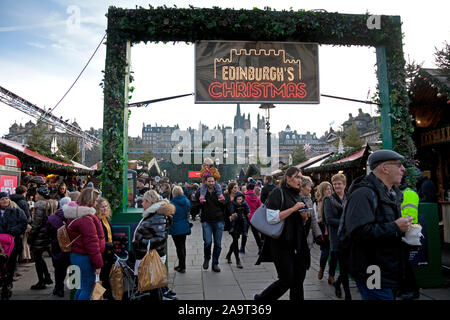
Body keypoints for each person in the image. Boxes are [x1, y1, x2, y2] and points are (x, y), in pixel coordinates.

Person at [343, 149, 411, 300]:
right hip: (372, 270)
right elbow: (358, 232)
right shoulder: (363, 194)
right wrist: (395, 226)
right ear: (384, 168)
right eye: (399, 165)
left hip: (389, 270)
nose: (403, 169)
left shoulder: (393, 192)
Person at [254, 167, 310, 301]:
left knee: (298, 280)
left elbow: (295, 221)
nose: (300, 180)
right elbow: (272, 218)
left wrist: (304, 217)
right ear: (288, 178)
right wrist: (294, 208)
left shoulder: (297, 194)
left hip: (297, 243)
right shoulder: (277, 192)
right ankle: (261, 299)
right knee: (286, 279)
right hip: (281, 244)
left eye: (301, 178)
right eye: (297, 177)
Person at [132, 190, 175, 300]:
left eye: (143, 201)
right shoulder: (154, 214)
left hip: (151, 255)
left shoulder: (156, 215)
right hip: (150, 254)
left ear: (149, 202)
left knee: (153, 285)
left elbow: (160, 238)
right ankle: (163, 293)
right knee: (154, 284)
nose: (142, 204)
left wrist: (142, 242)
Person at [63, 187, 105, 300]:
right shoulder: (86, 219)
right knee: (88, 288)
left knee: (81, 287)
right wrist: (98, 264)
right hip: (86, 257)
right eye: (96, 200)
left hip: (76, 255)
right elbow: (92, 243)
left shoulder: (75, 214)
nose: (97, 203)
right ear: (90, 200)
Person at [323, 173, 351, 300]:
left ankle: (338, 283)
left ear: (345, 185)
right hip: (337, 238)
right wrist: (346, 222)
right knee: (344, 267)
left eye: (339, 183)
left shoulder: (349, 198)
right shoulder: (328, 200)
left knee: (349, 266)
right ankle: (347, 294)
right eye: (334, 184)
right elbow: (329, 219)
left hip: (350, 237)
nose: (336, 186)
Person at [28, 186, 58, 290]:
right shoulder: (52, 204)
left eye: (36, 194)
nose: (35, 196)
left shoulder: (40, 205)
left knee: (38, 259)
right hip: (48, 235)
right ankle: (47, 278)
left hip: (40, 236)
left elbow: (36, 224)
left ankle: (41, 281)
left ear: (40, 196)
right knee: (40, 258)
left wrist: (30, 237)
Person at [0, 192, 28, 292]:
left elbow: (24, 223)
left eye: (6, 198)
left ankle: (8, 282)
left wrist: (13, 231)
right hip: (0, 244)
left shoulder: (17, 211)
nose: (4, 201)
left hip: (13, 242)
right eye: (2, 199)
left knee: (11, 263)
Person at [398, 179, 420, 300]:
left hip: (407, 231)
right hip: (402, 230)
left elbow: (411, 215)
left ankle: (412, 290)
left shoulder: (408, 193)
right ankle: (404, 289)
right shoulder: (401, 192)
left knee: (404, 262)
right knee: (401, 262)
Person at [45, 196, 72, 297]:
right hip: (72, 246)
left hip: (57, 246)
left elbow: (47, 231)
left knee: (58, 268)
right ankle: (74, 289)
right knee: (73, 267)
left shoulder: (52, 218)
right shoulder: (74, 217)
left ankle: (59, 288)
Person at [198, 175, 226, 272]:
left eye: (212, 181)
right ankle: (207, 257)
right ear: (205, 182)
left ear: (215, 182)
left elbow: (224, 206)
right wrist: (199, 203)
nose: (211, 183)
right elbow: (195, 205)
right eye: (209, 181)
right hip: (206, 220)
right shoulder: (201, 192)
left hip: (218, 220)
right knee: (208, 242)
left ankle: (215, 263)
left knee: (218, 244)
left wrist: (223, 202)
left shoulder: (219, 192)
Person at [95, 197, 115, 300]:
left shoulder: (106, 218)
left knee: (107, 277)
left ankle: (107, 296)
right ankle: (104, 297)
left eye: (106, 206)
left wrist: (118, 239)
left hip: (109, 253)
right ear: (97, 208)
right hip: (102, 253)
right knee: (103, 278)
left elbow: (109, 234)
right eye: (102, 207)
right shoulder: (97, 220)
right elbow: (97, 239)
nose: (105, 208)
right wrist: (108, 244)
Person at [169, 186, 191, 274]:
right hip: (184, 226)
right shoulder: (186, 201)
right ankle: (181, 265)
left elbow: (170, 215)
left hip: (175, 227)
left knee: (179, 248)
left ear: (173, 193)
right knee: (183, 246)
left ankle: (182, 266)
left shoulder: (171, 203)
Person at [299, 176, 323, 256]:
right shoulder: (296, 199)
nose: (310, 189)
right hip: (299, 234)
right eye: (309, 186)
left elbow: (313, 218)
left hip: (308, 233)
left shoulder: (309, 199)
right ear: (302, 187)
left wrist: (318, 234)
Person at [225, 191, 249, 268]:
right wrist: (232, 214)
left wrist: (247, 213)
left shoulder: (243, 202)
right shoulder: (227, 198)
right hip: (232, 223)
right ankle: (237, 260)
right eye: (234, 187)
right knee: (235, 240)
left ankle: (229, 254)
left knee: (236, 239)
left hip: (240, 223)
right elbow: (227, 211)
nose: (236, 189)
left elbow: (246, 210)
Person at [314, 181, 333, 281]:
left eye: (330, 188)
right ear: (322, 190)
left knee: (333, 253)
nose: (329, 191)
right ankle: (321, 268)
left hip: (332, 229)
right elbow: (317, 218)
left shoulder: (333, 200)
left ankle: (331, 274)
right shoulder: (318, 202)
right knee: (325, 252)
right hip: (323, 229)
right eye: (326, 189)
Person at [245, 183, 263, 254]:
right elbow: (260, 207)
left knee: (244, 233)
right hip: (255, 217)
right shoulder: (257, 197)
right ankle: (260, 248)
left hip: (247, 216)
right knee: (256, 233)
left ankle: (242, 247)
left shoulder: (245, 197)